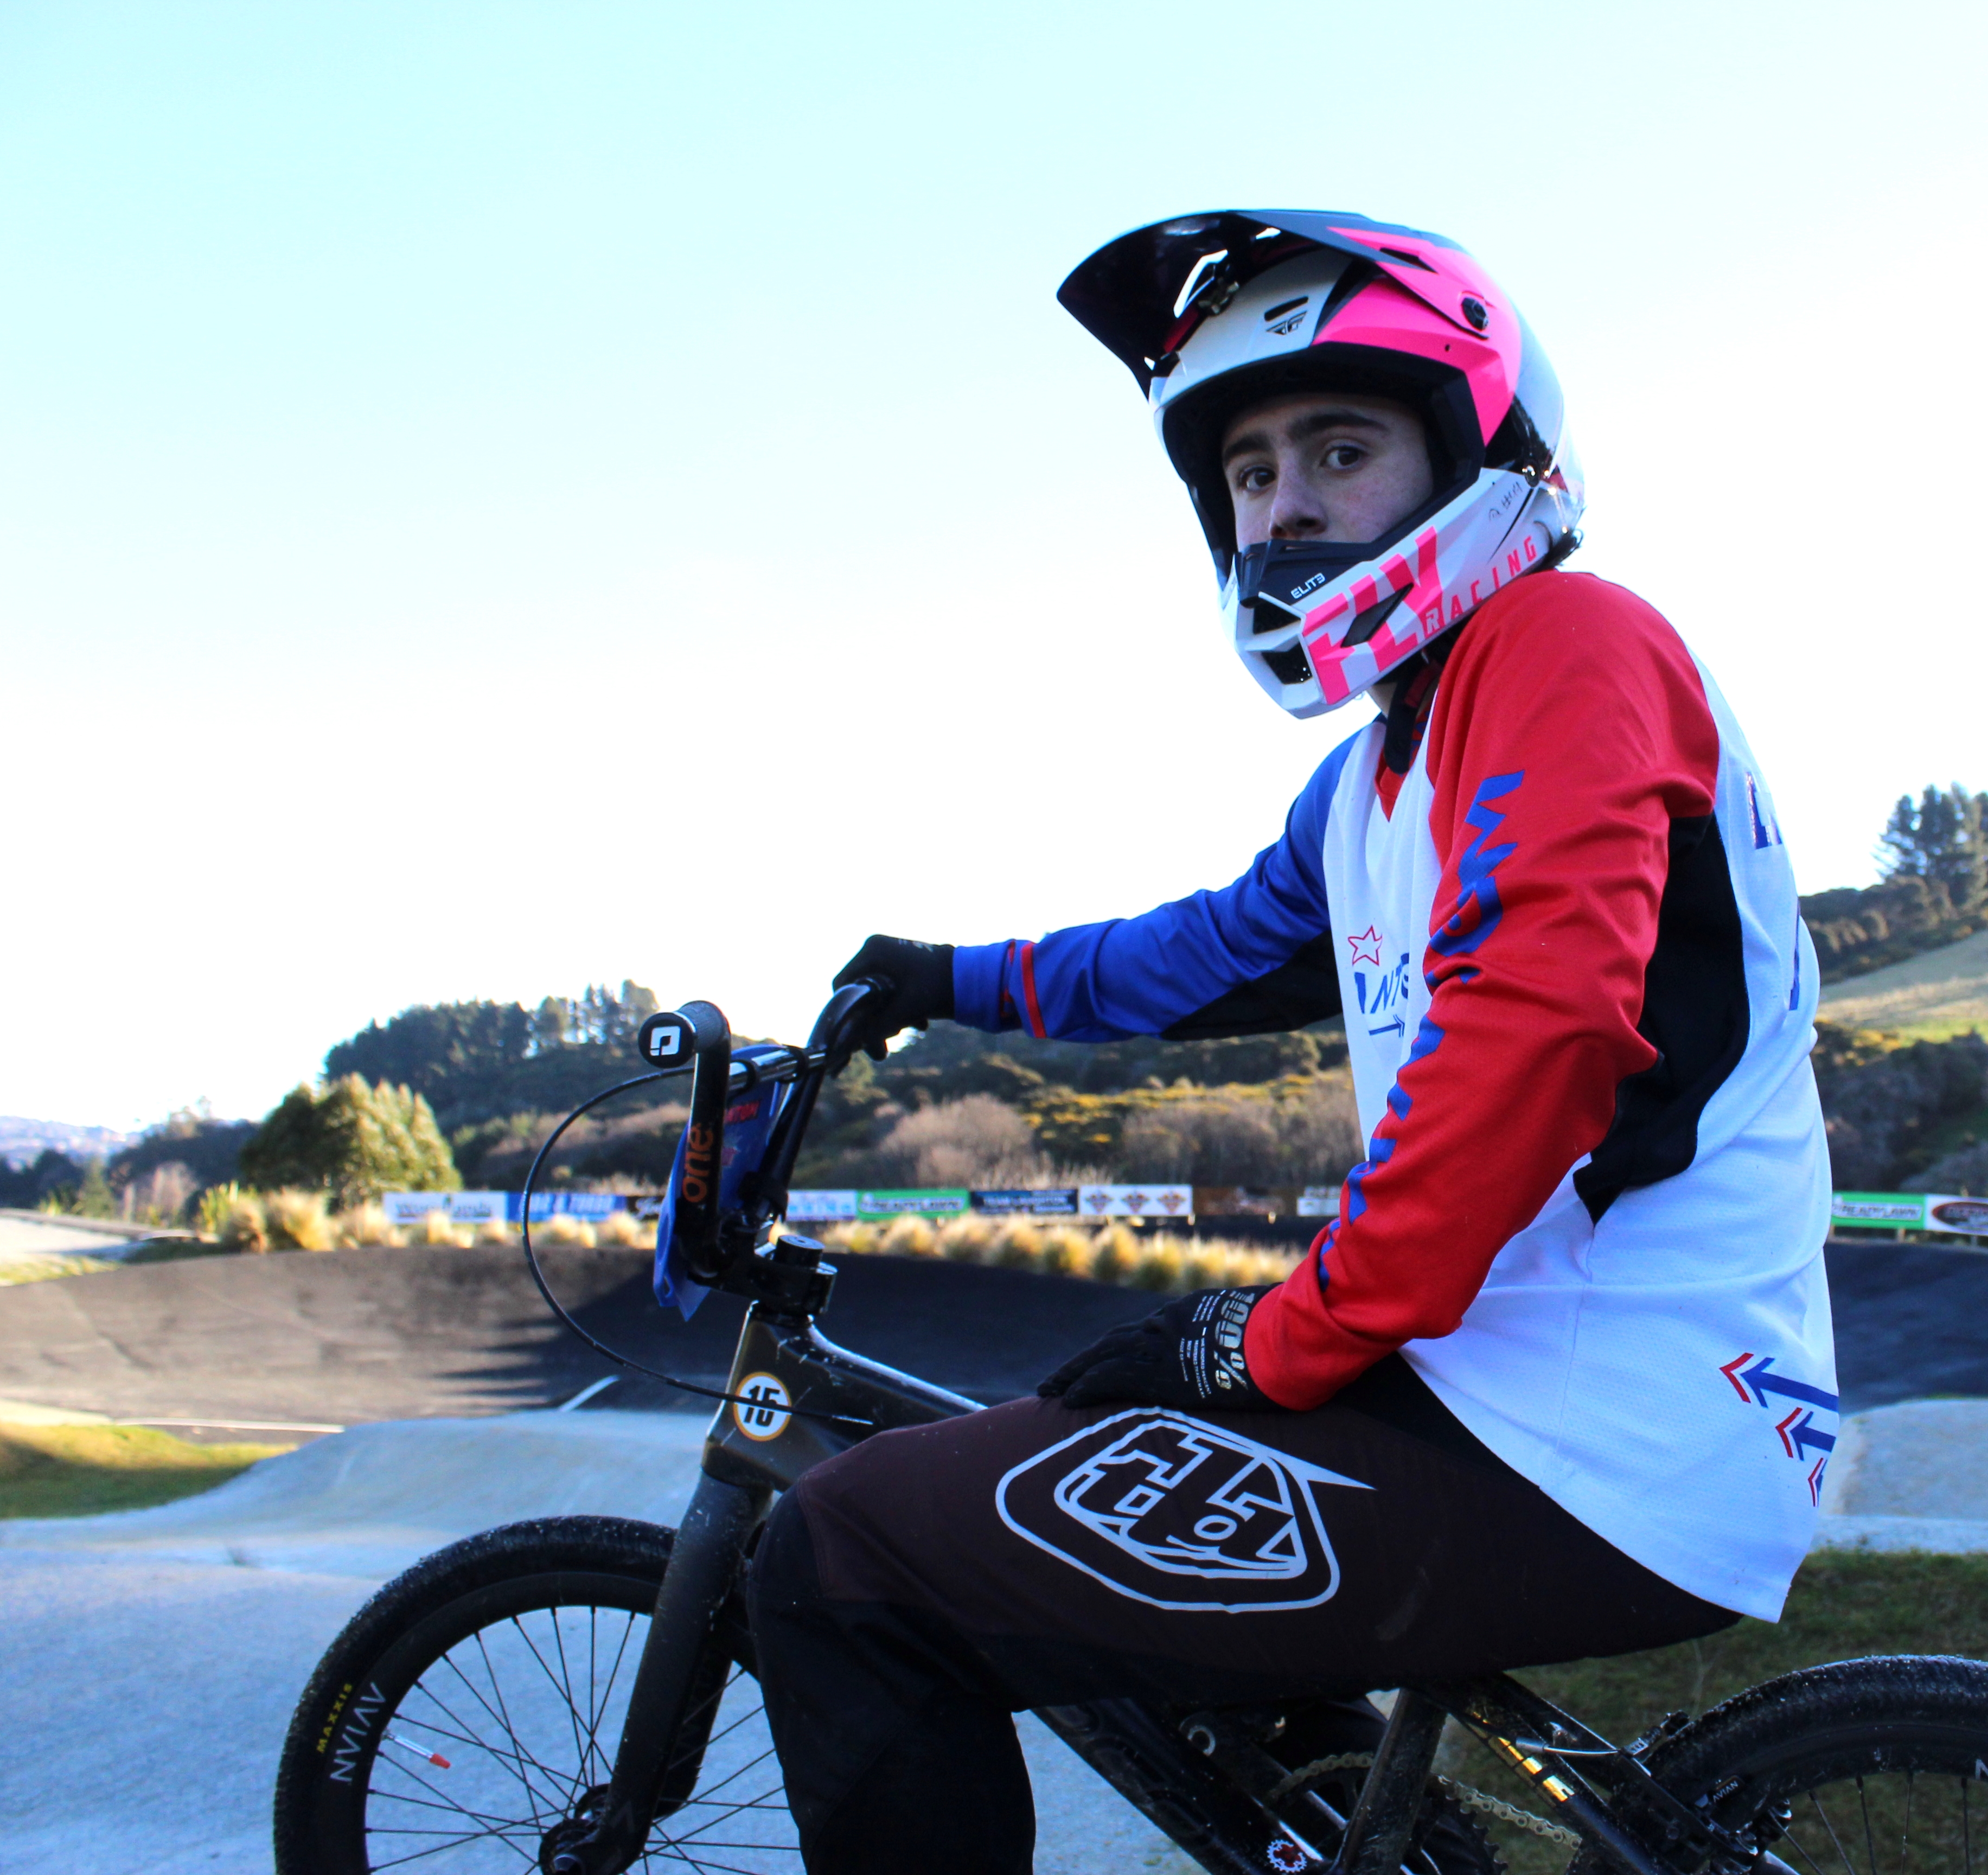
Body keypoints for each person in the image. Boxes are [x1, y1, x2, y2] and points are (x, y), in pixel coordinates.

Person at [748, 209, 1836, 1874]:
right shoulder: (1376, 778)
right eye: (1248, 473)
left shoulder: (1564, 644)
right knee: (1112, 1489)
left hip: (1593, 1423)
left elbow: (1540, 1033)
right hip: (1508, 1397)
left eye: (1340, 446)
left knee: (847, 1549)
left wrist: (1278, 1339)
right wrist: (948, 978)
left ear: (1477, 450)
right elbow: (1194, 962)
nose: (1288, 506)